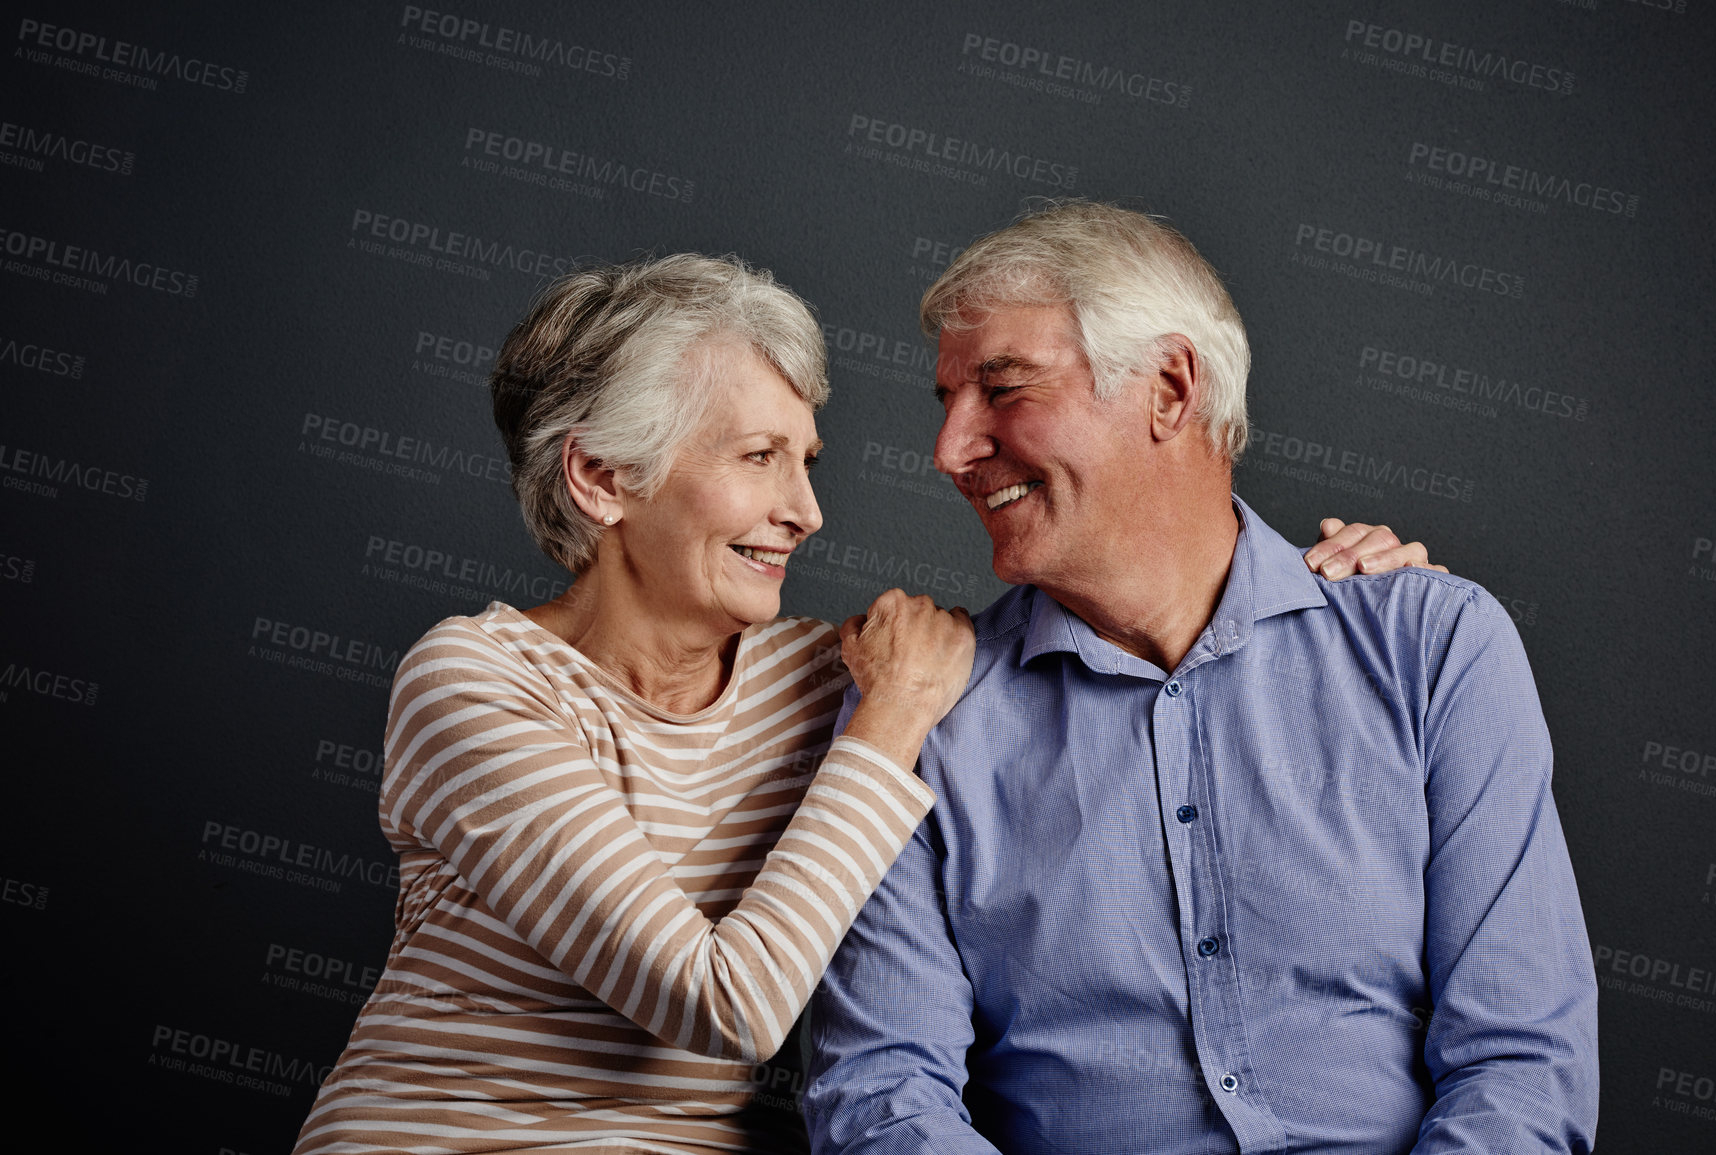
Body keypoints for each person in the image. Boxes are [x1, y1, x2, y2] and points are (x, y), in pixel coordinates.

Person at [293, 253, 1426, 1154]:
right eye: (757, 457)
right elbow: (719, 1005)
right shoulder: (473, 684)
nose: (804, 511)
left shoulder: (822, 681)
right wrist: (888, 724)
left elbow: (1112, 658)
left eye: (809, 462)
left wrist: (1337, 592)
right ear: (600, 479)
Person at [804, 203, 1598, 1154]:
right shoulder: (920, 709)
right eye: (946, 402)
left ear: (1170, 389)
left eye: (1003, 389)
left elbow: (1519, 1065)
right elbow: (883, 1093)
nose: (949, 450)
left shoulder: (1432, 644)